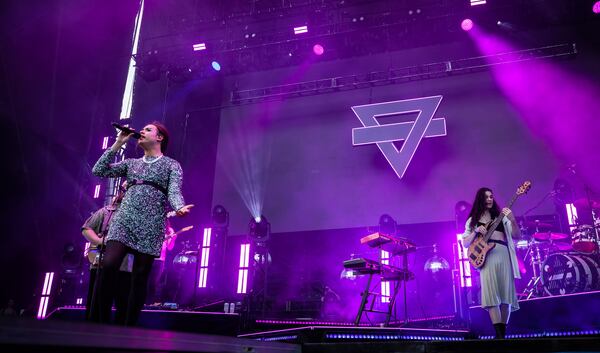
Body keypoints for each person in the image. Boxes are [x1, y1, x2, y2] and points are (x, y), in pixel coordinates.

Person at [91, 121, 193, 325]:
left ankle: (128, 328)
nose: (141, 132)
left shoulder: (171, 165)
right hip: (124, 219)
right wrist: (118, 143)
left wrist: (179, 207)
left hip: (151, 223)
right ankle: (99, 324)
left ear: (159, 137)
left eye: (147, 129)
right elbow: (98, 170)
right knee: (108, 266)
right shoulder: (131, 163)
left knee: (139, 276)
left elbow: (173, 191)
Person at [461, 187, 521, 339]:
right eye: (486, 197)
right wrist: (475, 231)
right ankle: (499, 335)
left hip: (502, 252)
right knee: (492, 295)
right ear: (480, 199)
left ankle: (502, 334)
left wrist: (513, 219)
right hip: (486, 257)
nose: (490, 199)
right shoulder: (473, 220)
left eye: (491, 196)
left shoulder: (501, 216)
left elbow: (517, 235)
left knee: (506, 295)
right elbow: (465, 243)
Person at [81, 182, 133, 323]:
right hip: (101, 265)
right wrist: (100, 241)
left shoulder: (138, 215)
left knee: (123, 309)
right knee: (97, 308)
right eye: (124, 189)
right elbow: (87, 228)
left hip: (125, 268)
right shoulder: (107, 211)